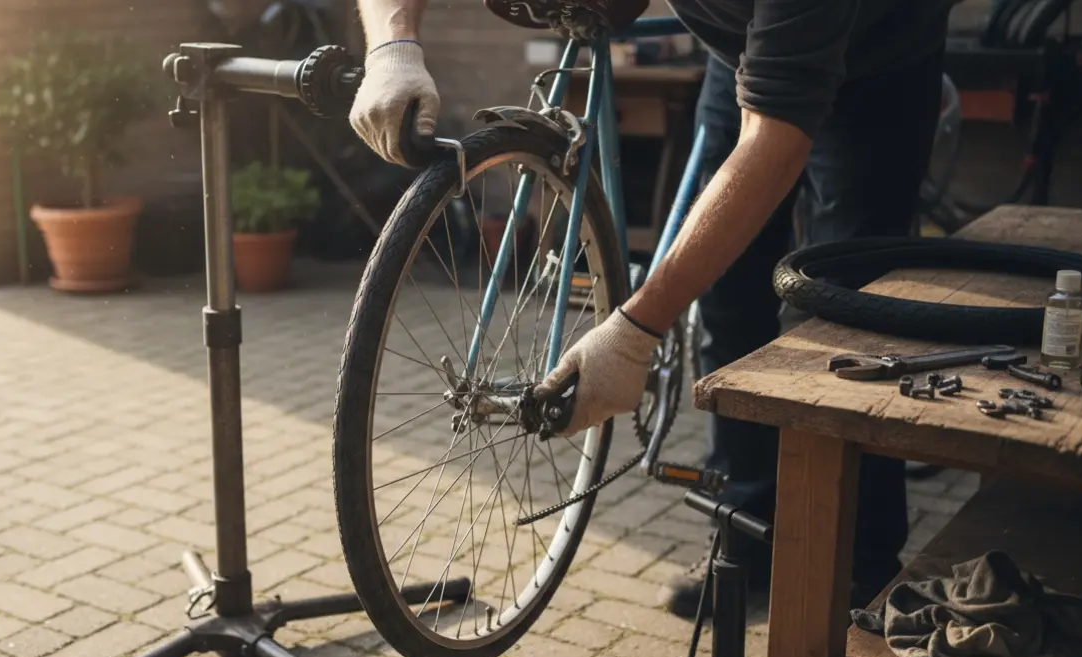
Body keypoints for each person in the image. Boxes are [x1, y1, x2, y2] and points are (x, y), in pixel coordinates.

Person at [348, 0, 956, 617]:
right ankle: (743, 538)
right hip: (745, 50)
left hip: (878, 54)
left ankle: (860, 565)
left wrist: (636, 330)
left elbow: (775, 137)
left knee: (847, 313)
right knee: (726, 298)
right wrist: (393, 47)